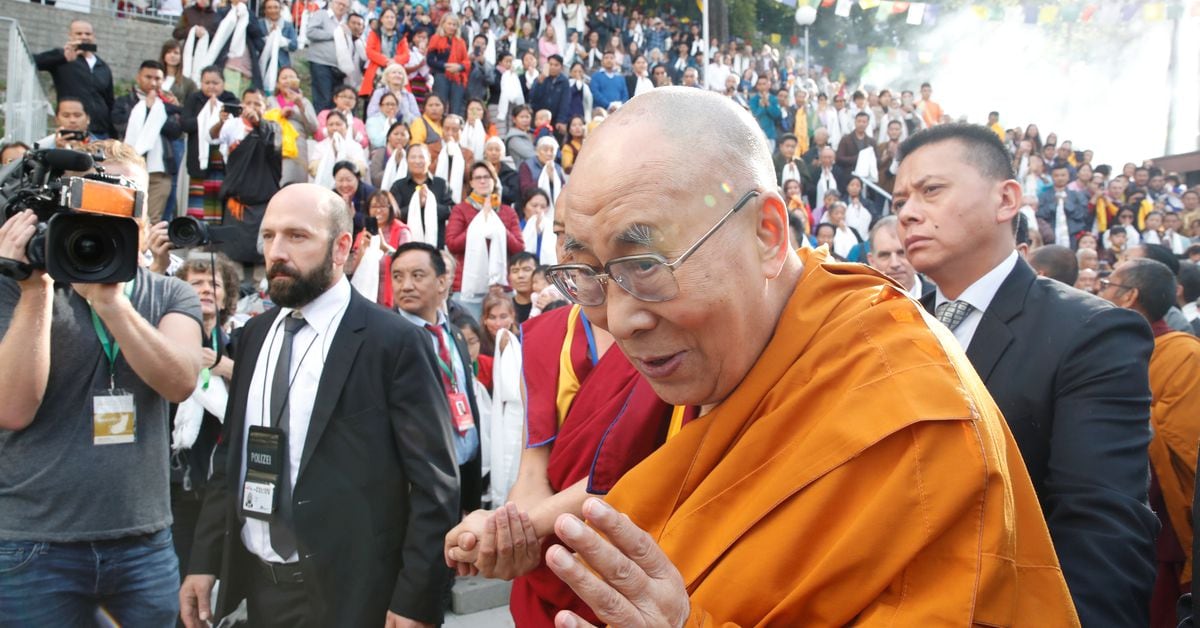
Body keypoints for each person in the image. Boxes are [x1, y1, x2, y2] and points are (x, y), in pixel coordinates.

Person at [530, 88, 1076, 627]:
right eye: (587, 274)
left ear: (767, 234)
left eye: (646, 264)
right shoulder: (714, 357)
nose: (619, 319)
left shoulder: (908, 404)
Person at [895, 123, 1157, 626]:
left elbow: (1101, 527)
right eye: (901, 199)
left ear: (1006, 200)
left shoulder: (1090, 332)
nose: (907, 212)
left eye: (931, 190)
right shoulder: (889, 327)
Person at [180, 184, 459, 628]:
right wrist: (204, 560)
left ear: (341, 247)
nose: (276, 252)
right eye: (268, 236)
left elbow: (435, 484)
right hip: (261, 589)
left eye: (297, 236)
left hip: (356, 596)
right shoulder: (254, 336)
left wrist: (416, 600)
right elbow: (231, 456)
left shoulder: (394, 342)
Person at [0, 140, 203, 626]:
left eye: (124, 199)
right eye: (94, 199)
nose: (108, 216)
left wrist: (110, 302)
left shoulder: (171, 293)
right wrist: (35, 288)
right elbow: (12, 409)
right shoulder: (17, 285)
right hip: (33, 545)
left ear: (144, 218)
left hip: (143, 545)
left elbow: (180, 382)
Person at [1097, 258, 1200, 627]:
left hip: (1159, 520)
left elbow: (1183, 440)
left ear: (1130, 296)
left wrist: (1120, 412)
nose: (1101, 291)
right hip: (1107, 511)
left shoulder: (1184, 354)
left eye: (1108, 284)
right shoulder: (1098, 346)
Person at [389, 241, 483, 514]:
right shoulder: (385, 339)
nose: (406, 285)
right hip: (414, 485)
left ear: (442, 282)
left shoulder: (455, 335)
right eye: (398, 277)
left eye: (417, 275)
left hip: (463, 468)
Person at [169, 253, 241, 578]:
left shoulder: (239, 344)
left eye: (214, 284)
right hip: (174, 485)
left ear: (226, 297)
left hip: (222, 487)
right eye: (195, 283)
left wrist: (220, 365)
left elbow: (259, 387)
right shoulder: (164, 342)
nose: (206, 289)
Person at [216, 88, 284, 267]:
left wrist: (258, 122)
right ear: (241, 105)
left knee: (263, 257)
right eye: (248, 103)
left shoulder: (273, 128)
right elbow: (211, 138)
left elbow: (273, 144)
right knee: (231, 260)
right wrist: (220, 121)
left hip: (262, 206)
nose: (252, 107)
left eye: (257, 104)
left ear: (265, 107)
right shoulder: (233, 128)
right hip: (236, 205)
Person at [445, 161, 524, 311]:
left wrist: (497, 225)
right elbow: (452, 244)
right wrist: (479, 223)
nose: (482, 181)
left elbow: (519, 248)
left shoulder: (507, 211)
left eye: (487, 177)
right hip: (468, 286)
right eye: (478, 178)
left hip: (500, 287)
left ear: (494, 180)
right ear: (471, 183)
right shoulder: (460, 210)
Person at [113, 60, 184, 226]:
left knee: (154, 220)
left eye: (157, 78)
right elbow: (120, 125)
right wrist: (146, 110)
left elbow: (176, 130)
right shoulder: (125, 102)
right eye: (148, 77)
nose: (153, 83)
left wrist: (157, 110)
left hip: (159, 171)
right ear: (138, 77)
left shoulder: (168, 105)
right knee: (127, 217)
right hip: (130, 168)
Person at [35, 20, 115, 138]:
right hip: (72, 130)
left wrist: (113, 133)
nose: (84, 37)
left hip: (101, 132)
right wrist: (62, 57)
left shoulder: (103, 67)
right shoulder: (61, 58)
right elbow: (33, 61)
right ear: (70, 36)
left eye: (88, 34)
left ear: (93, 37)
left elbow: (109, 101)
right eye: (79, 33)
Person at [182, 66, 240, 224]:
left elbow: (236, 125)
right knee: (198, 204)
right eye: (207, 83)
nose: (211, 87)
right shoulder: (195, 99)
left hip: (221, 160)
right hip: (200, 159)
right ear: (201, 83)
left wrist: (218, 110)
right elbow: (185, 124)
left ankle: (217, 233)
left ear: (223, 83)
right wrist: (206, 115)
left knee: (219, 200)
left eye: (215, 83)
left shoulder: (231, 100)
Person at [349, 190, 410, 307]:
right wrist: (362, 248)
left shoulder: (401, 231)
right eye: (374, 207)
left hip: (394, 294)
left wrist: (385, 248)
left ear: (391, 208)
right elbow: (353, 270)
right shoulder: (363, 234)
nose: (378, 210)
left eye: (382, 206)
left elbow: (407, 262)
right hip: (368, 292)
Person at [390, 143, 455, 248]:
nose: (417, 161)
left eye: (421, 157)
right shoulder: (398, 186)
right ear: (407, 160)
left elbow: (452, 211)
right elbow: (394, 215)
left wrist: (430, 204)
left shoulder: (441, 184)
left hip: (437, 243)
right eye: (413, 157)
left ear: (429, 160)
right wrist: (416, 204)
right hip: (406, 243)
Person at [266, 65, 319, 186]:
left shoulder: (304, 102)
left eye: (292, 77)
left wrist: (300, 106)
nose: (288, 80)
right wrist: (279, 114)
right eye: (284, 78)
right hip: (274, 146)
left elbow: (313, 127)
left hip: (297, 148)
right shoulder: (270, 101)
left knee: (295, 186)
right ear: (277, 83)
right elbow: (264, 123)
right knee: (273, 184)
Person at [303, 0, 356, 113]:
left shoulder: (346, 22)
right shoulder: (321, 14)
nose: (341, 7)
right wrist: (334, 34)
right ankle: (321, 122)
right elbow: (310, 32)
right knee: (323, 99)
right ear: (332, 2)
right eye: (339, 3)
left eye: (344, 5)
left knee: (335, 100)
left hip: (339, 68)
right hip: (321, 63)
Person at [866, 215, 933, 300]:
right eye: (885, 255)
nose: (894, 264)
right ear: (872, 261)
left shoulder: (940, 302)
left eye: (902, 253)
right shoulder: (860, 305)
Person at [360, 7, 411, 107]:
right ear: (381, 19)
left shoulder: (401, 37)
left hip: (396, 73)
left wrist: (394, 61)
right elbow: (370, 51)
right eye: (387, 17)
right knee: (374, 103)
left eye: (392, 17)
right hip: (377, 74)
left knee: (396, 103)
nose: (390, 20)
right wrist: (386, 61)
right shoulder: (374, 34)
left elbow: (406, 56)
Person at [309, 111, 367, 188]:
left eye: (338, 124)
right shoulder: (320, 146)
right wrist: (331, 154)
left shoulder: (355, 146)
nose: (334, 128)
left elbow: (361, 169)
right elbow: (313, 170)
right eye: (331, 125)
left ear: (346, 127)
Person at [428, 13, 471, 116]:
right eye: (449, 24)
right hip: (441, 75)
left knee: (456, 108)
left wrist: (459, 67)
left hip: (457, 77)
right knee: (440, 105)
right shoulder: (436, 38)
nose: (452, 27)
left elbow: (466, 61)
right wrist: (445, 66)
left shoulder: (461, 42)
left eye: (454, 25)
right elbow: (430, 60)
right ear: (443, 24)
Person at [1037, 164, 1090, 247]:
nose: (1060, 178)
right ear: (1052, 177)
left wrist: (1067, 204)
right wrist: (1053, 204)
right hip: (1051, 235)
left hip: (1073, 235)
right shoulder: (1044, 196)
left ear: (1068, 177)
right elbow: (1039, 214)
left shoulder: (1077, 195)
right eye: (1056, 175)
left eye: (1063, 175)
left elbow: (1083, 215)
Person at [258, 0, 298, 95]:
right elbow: (257, 43)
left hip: (282, 65)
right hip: (264, 65)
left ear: (280, 9)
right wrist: (270, 38)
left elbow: (294, 45)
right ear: (265, 10)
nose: (273, 10)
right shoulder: (259, 24)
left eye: (276, 7)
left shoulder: (287, 25)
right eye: (269, 7)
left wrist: (280, 40)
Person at [518, 136, 565, 213]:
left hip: (555, 206)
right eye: (545, 150)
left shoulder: (557, 168)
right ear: (537, 151)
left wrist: (553, 179)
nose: (549, 153)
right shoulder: (527, 165)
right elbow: (525, 189)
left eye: (552, 150)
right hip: (535, 206)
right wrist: (545, 178)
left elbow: (563, 188)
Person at [34, 97, 100, 150]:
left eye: (77, 115)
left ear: (88, 119)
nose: (72, 120)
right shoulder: (42, 148)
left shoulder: (101, 148)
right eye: (66, 115)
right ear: (57, 119)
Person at [370, 120, 410, 190]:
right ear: (388, 137)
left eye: (403, 135)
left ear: (408, 139)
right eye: (396, 134)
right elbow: (375, 178)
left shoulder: (411, 155)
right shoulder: (380, 153)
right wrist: (394, 164)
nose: (399, 137)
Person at [507, 251, 538, 323]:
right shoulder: (505, 307)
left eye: (527, 269)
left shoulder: (545, 304)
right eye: (515, 271)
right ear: (509, 277)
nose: (520, 275)